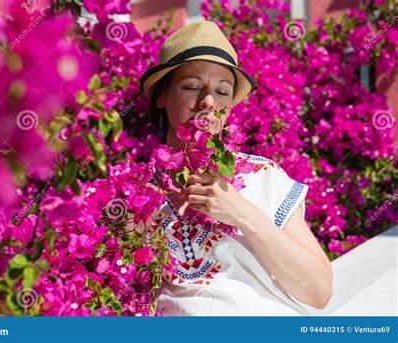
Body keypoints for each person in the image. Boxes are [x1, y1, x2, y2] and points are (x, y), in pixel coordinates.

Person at [140, 20, 332, 316]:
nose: (207, 101)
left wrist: (241, 212)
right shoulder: (137, 195)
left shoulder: (263, 176)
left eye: (222, 91)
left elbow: (318, 292)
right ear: (162, 96)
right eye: (192, 87)